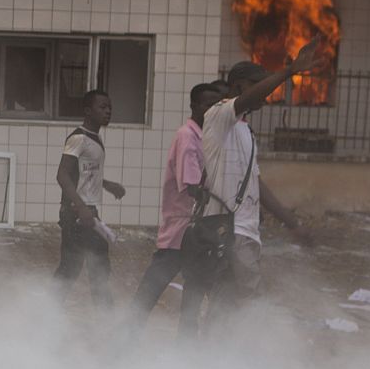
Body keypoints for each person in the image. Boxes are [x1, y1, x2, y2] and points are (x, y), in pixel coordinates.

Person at [185, 46, 320, 319]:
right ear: (237, 87)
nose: (266, 94)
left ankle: (206, 359)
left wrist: (292, 223)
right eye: (256, 86)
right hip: (228, 230)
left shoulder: (245, 129)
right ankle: (251, 358)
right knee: (251, 306)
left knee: (226, 304)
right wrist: (289, 72)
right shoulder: (219, 114)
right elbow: (247, 100)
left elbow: (257, 184)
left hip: (242, 232)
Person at [128, 81, 223, 330]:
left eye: (217, 106)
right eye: (207, 104)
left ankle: (186, 350)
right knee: (152, 289)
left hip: (198, 232)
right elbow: (193, 186)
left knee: (194, 292)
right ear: (194, 105)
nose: (212, 110)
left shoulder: (206, 137)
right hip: (182, 230)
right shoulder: (187, 136)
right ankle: (124, 339)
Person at [53, 90, 124, 308]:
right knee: (73, 268)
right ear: (87, 111)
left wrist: (107, 184)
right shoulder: (78, 138)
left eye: (109, 107)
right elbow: (63, 174)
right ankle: (46, 314)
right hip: (77, 213)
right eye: (102, 107)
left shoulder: (95, 138)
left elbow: (83, 173)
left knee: (95, 268)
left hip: (87, 212)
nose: (108, 111)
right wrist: (80, 206)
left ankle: (104, 317)